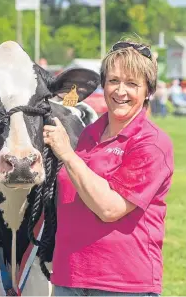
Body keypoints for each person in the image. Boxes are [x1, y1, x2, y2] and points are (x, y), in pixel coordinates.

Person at [43, 39, 174, 296]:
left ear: (148, 90)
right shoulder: (90, 133)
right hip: (69, 277)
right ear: (103, 84)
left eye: (132, 83)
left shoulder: (152, 143)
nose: (120, 91)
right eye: (113, 81)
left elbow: (110, 208)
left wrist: (68, 155)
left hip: (122, 283)